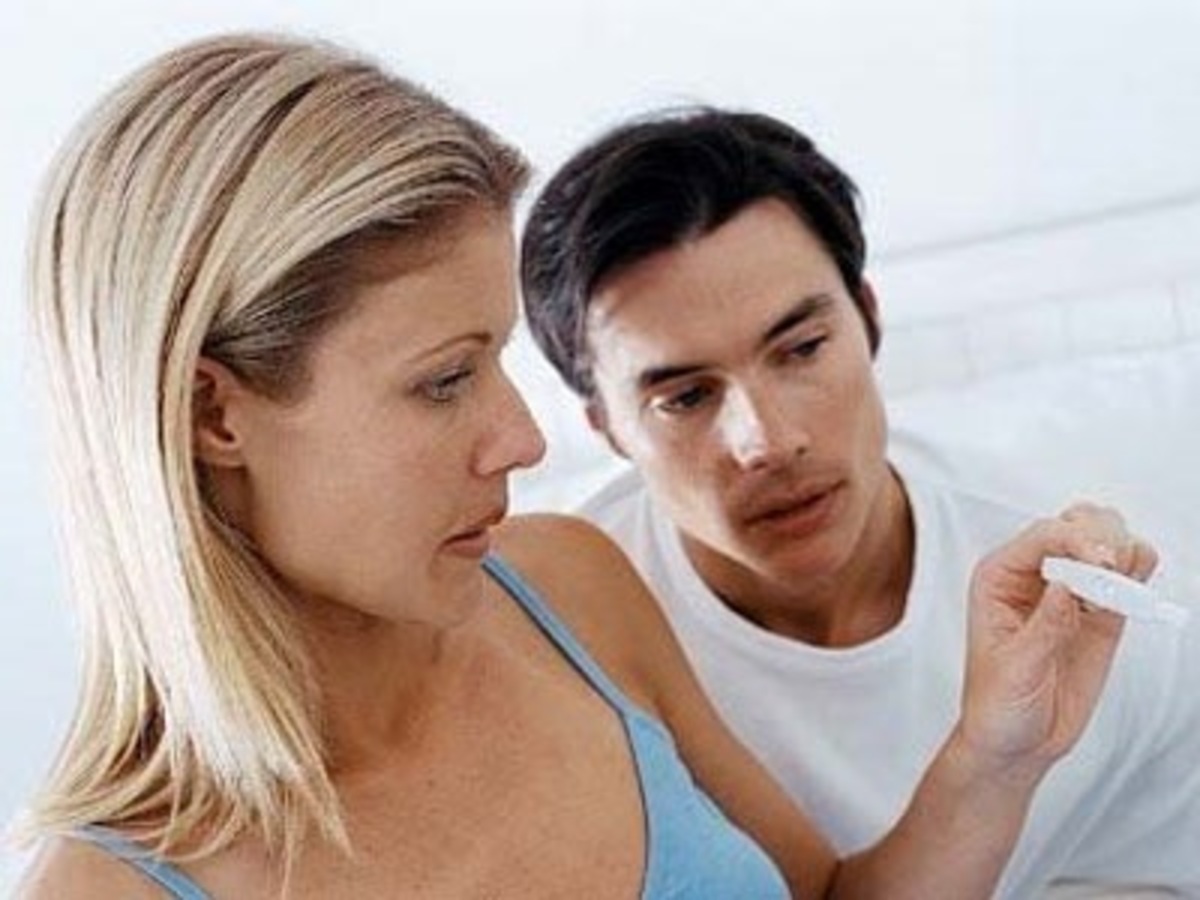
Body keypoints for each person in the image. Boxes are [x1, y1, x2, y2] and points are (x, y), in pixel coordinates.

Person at [12, 35, 1154, 900]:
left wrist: (997, 756)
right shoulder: (108, 887)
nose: (521, 438)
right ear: (213, 412)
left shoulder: (567, 588)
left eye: (498, 360)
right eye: (445, 380)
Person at [519, 107, 1200, 898]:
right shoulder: (564, 646)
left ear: (868, 317)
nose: (768, 440)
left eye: (803, 349)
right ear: (606, 426)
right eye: (686, 397)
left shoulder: (1093, 602)